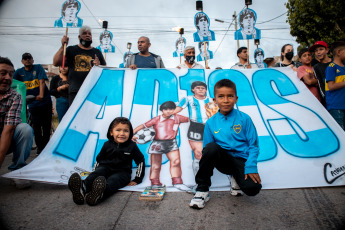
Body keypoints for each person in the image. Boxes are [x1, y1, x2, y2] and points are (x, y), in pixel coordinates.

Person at [189, 79, 262, 209]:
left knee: (253, 189)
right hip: (224, 161)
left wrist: (251, 166)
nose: (226, 100)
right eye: (221, 96)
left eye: (230, 96)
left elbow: (254, 145)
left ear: (236, 98)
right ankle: (202, 190)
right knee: (210, 148)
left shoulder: (245, 118)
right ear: (214, 100)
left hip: (242, 161)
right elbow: (208, 151)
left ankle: (235, 178)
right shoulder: (211, 123)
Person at [68, 117, 145, 206]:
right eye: (118, 130)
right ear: (111, 132)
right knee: (98, 173)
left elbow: (140, 161)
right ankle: (82, 188)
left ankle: (99, 194)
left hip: (122, 172)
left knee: (113, 180)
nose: (122, 133)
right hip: (105, 168)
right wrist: (95, 172)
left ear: (130, 133)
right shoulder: (107, 145)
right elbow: (99, 159)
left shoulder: (132, 146)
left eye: (126, 131)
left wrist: (138, 179)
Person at [133, 101, 189, 190]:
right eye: (166, 109)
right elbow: (143, 126)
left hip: (171, 143)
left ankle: (177, 182)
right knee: (156, 165)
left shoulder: (177, 118)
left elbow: (191, 119)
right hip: (157, 143)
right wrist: (132, 134)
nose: (168, 111)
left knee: (176, 162)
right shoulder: (156, 119)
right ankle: (155, 182)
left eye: (171, 109)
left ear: (174, 110)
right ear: (162, 110)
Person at [0, 57, 33, 188]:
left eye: (11, 74)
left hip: (4, 138)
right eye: (3, 73)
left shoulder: (15, 96)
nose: (8, 78)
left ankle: (18, 170)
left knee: (25, 129)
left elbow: (8, 130)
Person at [53, 25, 106, 104]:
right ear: (79, 37)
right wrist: (63, 46)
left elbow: (104, 70)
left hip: (92, 91)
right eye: (84, 33)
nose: (87, 35)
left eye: (89, 34)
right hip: (75, 91)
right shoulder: (71, 50)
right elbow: (56, 62)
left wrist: (99, 66)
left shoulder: (97, 52)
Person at [174, 81, 216, 176]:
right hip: (195, 127)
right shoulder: (188, 99)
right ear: (193, 89)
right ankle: (199, 182)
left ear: (206, 90)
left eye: (203, 88)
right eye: (198, 88)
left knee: (216, 152)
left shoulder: (212, 100)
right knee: (198, 154)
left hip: (210, 127)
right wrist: (165, 114)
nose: (201, 89)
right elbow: (177, 110)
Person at [13, 53, 52, 155]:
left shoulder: (38, 68)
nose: (27, 60)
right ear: (22, 61)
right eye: (25, 59)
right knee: (37, 127)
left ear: (32, 60)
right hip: (33, 103)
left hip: (45, 102)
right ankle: (40, 148)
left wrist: (41, 95)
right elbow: (13, 83)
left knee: (46, 126)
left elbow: (42, 81)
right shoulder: (19, 72)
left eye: (29, 58)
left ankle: (46, 147)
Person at [325, 41, 345, 130]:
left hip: (343, 105)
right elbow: (331, 86)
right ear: (339, 52)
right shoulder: (331, 67)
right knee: (341, 132)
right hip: (336, 107)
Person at [310, 41, 332, 107]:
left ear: (327, 50)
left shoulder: (336, 62)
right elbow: (320, 85)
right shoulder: (316, 67)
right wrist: (326, 99)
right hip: (330, 101)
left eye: (321, 49)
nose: (318, 52)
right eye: (316, 51)